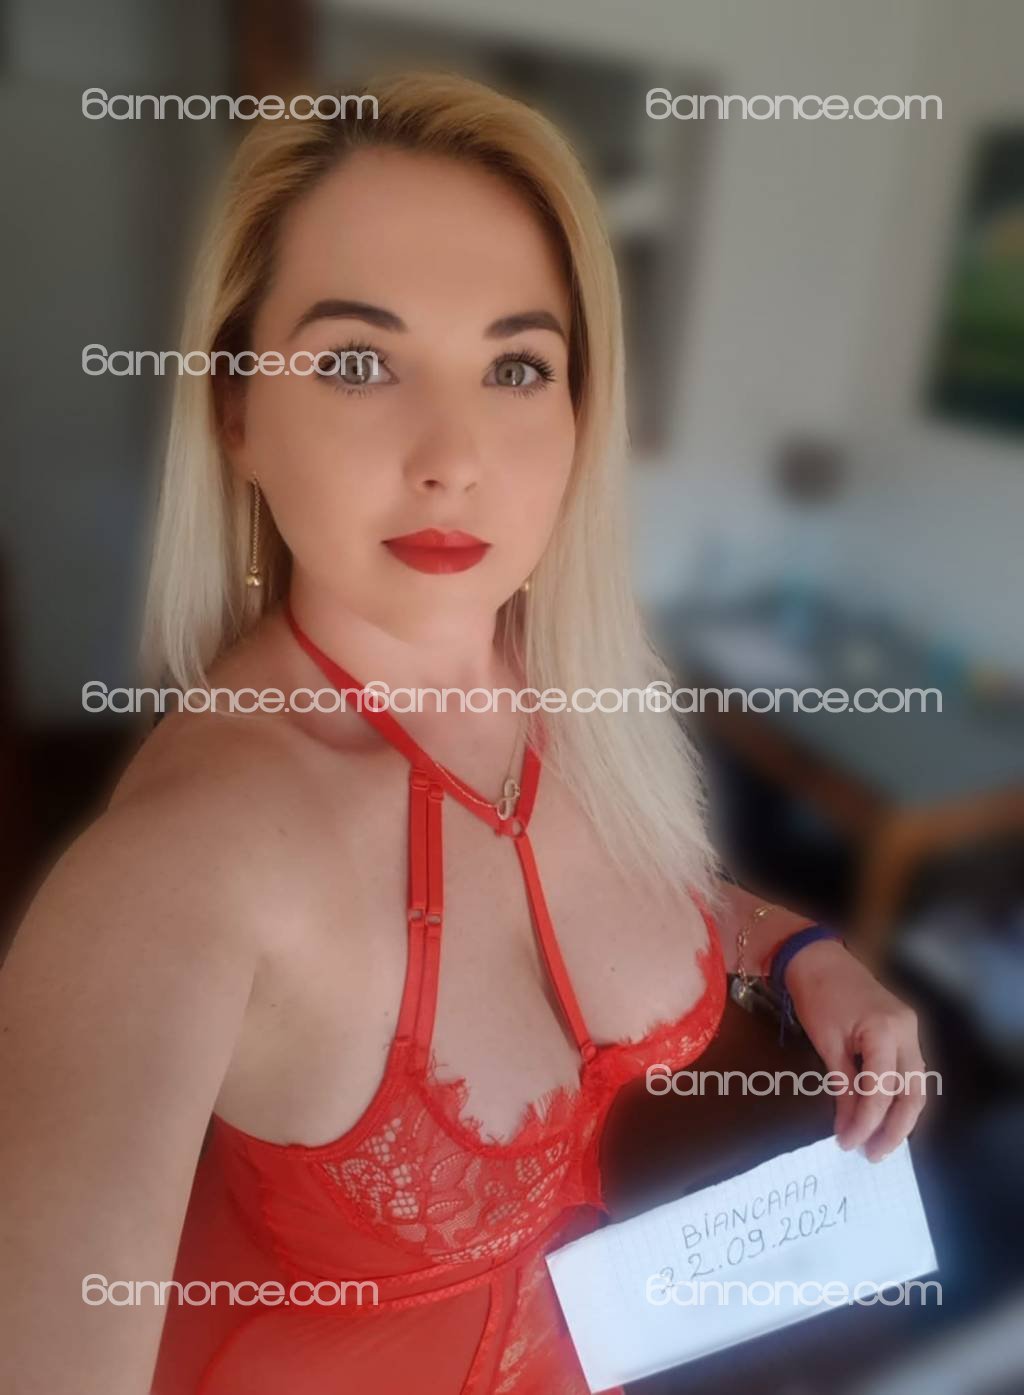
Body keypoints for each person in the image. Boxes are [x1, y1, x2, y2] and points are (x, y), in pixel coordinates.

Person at [0, 71, 928, 1395]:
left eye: (515, 366)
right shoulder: (174, 878)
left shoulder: (569, 687)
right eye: (357, 362)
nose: (453, 456)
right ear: (236, 411)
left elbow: (651, 885)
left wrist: (798, 954)